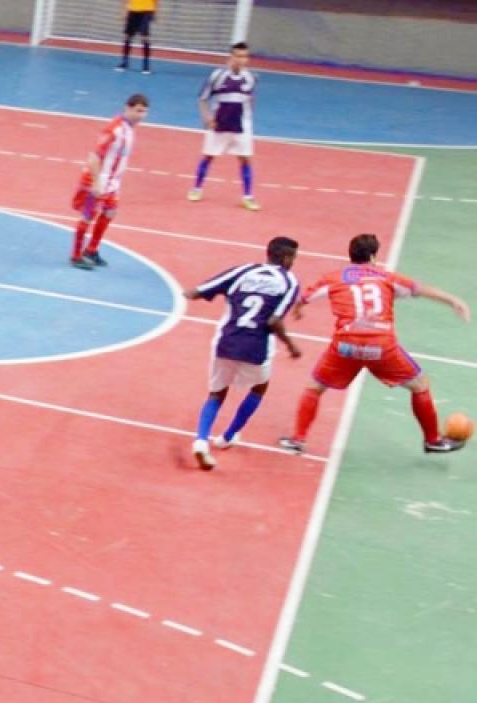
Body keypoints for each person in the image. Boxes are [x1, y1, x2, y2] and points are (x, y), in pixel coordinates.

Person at [280, 234, 470, 455]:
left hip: (346, 346)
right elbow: (420, 289)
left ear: (350, 255)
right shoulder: (387, 278)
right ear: (372, 256)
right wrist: (454, 300)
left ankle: (298, 439)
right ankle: (432, 440)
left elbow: (303, 298)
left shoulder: (333, 278)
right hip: (381, 347)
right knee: (420, 385)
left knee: (315, 387)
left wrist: (298, 310)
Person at [185, 237, 302, 470]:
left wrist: (182, 295)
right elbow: (274, 320)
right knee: (259, 388)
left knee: (216, 394)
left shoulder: (242, 271)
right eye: (293, 258)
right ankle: (228, 436)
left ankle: (201, 441)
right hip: (256, 346)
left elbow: (196, 292)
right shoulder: (289, 281)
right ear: (286, 258)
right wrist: (291, 346)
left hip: (226, 341)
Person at [70, 93, 149, 270]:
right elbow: (94, 157)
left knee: (110, 212)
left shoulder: (129, 130)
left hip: (112, 183)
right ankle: (76, 256)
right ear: (128, 108)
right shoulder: (114, 129)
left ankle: (91, 250)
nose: (141, 116)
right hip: (98, 180)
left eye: (144, 112)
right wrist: (96, 182)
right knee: (87, 216)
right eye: (138, 111)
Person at [187, 42, 259, 211]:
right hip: (219, 124)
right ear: (231, 57)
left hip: (241, 126)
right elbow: (203, 98)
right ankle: (196, 188)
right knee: (208, 156)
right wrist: (207, 118)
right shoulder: (217, 76)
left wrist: (248, 118)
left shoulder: (252, 78)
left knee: (245, 159)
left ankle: (248, 197)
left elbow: (251, 98)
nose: (241, 60)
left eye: (244, 56)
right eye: (238, 56)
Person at [115, 0, 157, 74]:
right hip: (133, 10)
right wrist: (125, 11)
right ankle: (124, 63)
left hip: (147, 10)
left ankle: (146, 66)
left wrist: (155, 12)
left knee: (144, 37)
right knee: (128, 36)